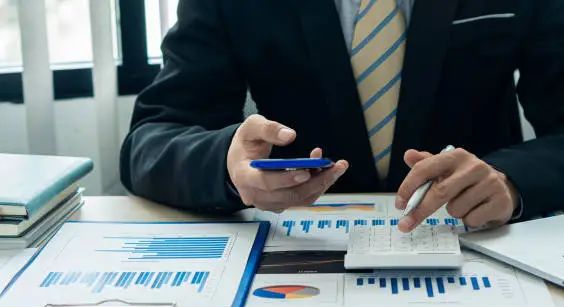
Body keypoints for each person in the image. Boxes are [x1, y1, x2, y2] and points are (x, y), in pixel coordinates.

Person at [119, 0, 564, 232]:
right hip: (296, 259)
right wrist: (228, 167)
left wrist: (511, 181)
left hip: (479, 249)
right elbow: (152, 139)